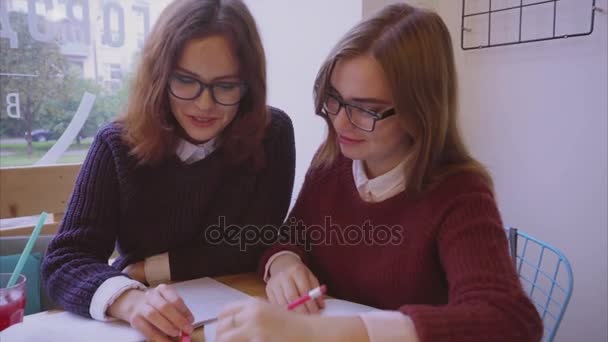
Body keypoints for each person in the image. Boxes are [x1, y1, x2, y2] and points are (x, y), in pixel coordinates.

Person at [214, 3, 543, 342]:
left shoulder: (460, 194)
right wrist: (284, 263)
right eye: (334, 99)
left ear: (421, 111)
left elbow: (510, 322)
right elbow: (289, 235)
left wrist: (333, 332)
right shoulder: (333, 164)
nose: (339, 122)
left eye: (366, 110)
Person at [41, 0, 295, 341]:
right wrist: (130, 300)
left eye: (226, 86)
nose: (204, 104)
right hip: (151, 317)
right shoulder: (116, 144)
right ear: (160, 76)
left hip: (240, 314)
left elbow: (253, 242)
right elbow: (64, 261)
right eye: (187, 81)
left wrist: (150, 268)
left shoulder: (272, 133)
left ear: (248, 86)